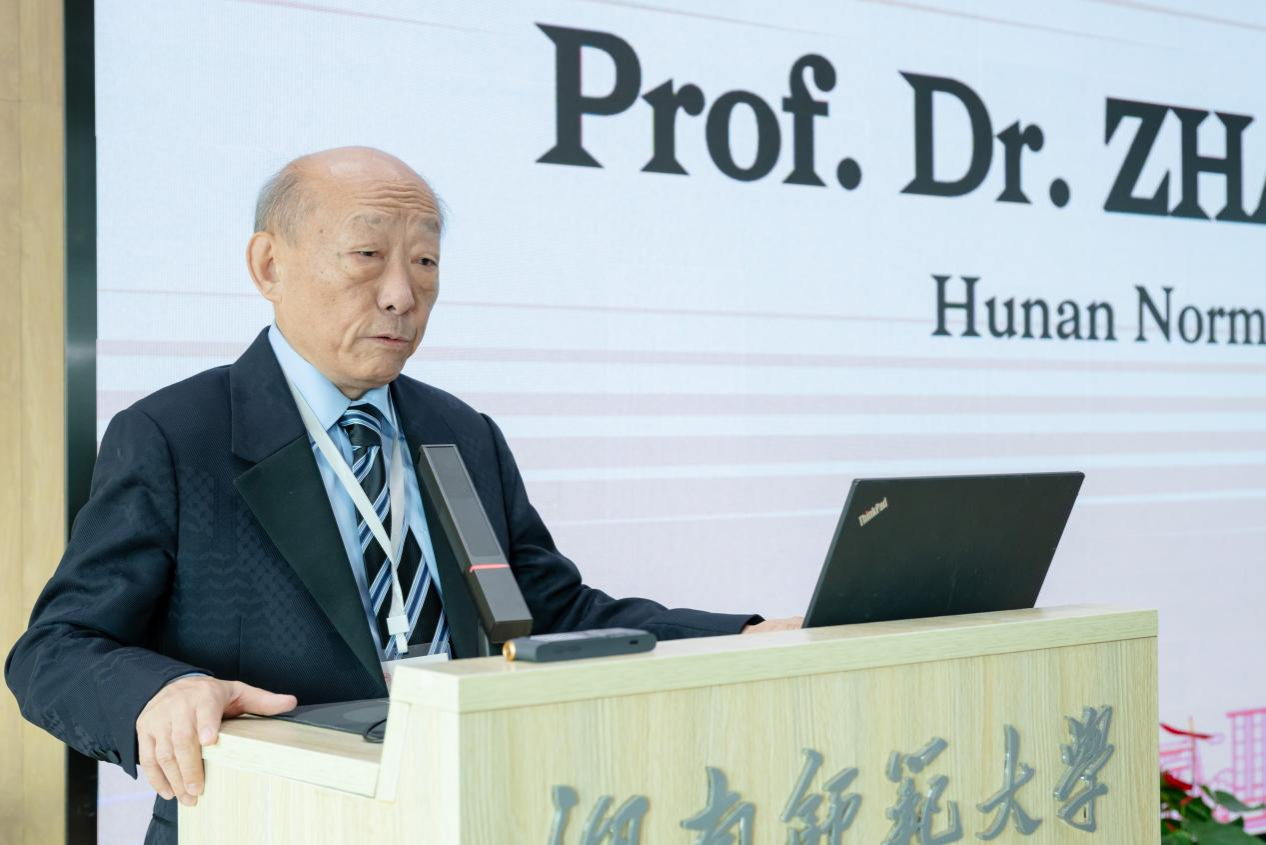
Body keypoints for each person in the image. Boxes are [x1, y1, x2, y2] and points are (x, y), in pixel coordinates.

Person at [6, 147, 802, 844]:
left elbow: (553, 614)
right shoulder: (177, 435)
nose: (401, 293)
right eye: (367, 255)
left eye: (424, 262)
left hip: (466, 813)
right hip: (266, 822)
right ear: (269, 265)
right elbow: (55, 649)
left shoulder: (460, 433)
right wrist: (159, 690)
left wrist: (741, 634)